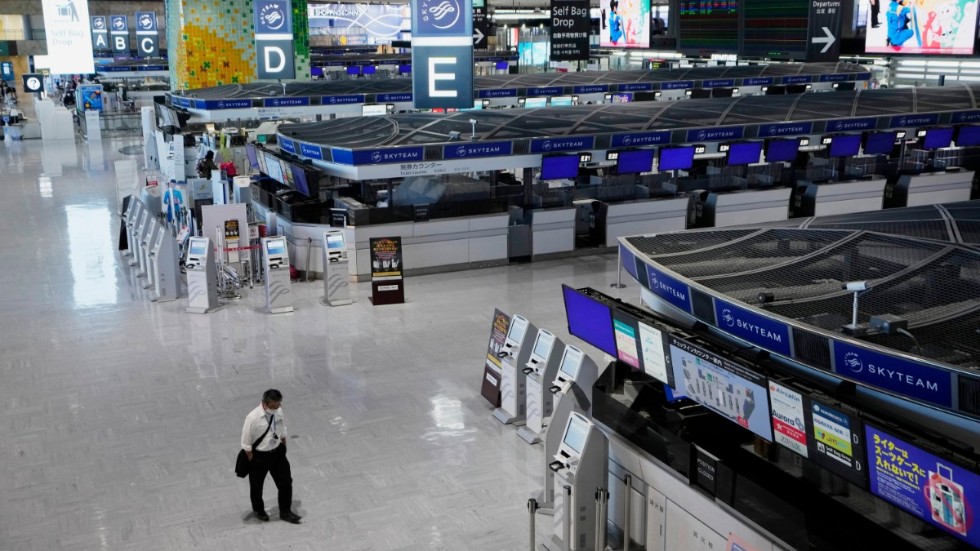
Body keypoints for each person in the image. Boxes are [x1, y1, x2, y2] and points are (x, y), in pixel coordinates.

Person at [240, 389, 302, 523]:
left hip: (277, 453)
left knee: (286, 483)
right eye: (274, 405)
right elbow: (246, 444)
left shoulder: (278, 410)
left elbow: (282, 427)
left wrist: (283, 446)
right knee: (257, 486)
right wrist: (254, 462)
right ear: (265, 403)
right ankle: (259, 510)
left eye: (279, 404)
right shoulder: (253, 418)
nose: (277, 407)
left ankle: (285, 512)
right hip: (259, 456)